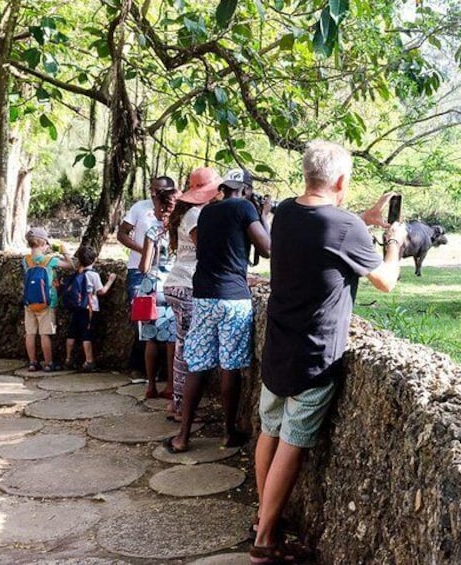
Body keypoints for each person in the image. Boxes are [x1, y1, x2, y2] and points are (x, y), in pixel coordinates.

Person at [249, 140, 406, 563]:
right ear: (340, 180)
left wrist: (363, 217)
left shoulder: (284, 212)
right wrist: (394, 242)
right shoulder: (345, 228)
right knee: (293, 440)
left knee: (270, 429)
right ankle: (264, 541)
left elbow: (324, 226)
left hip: (278, 345)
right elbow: (385, 280)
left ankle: (263, 518)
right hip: (314, 353)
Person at [165, 168, 271, 454]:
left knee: (196, 364)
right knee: (230, 366)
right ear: (246, 189)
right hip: (233, 298)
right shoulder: (245, 208)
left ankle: (183, 436)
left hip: (203, 296)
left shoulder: (207, 212)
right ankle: (228, 432)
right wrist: (264, 214)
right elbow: (268, 248)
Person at [163, 166, 223, 421]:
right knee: (188, 349)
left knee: (183, 345)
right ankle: (180, 407)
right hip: (187, 285)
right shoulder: (196, 216)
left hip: (179, 284)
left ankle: (177, 403)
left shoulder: (190, 213)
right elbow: (206, 250)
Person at [117, 176, 176, 376]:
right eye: (151, 189)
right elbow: (122, 234)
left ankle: (163, 372)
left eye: (158, 190)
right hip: (139, 271)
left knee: (167, 324)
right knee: (142, 320)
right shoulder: (139, 208)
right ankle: (139, 367)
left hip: (168, 276)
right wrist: (144, 250)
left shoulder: (175, 213)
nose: (153, 193)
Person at [137, 186, 179, 399]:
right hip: (173, 285)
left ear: (159, 206)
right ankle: (171, 386)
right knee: (172, 340)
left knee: (151, 339)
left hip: (152, 287)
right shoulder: (180, 232)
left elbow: (144, 266)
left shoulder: (153, 232)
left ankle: (151, 385)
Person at [21, 226, 71, 372]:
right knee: (44, 334)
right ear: (43, 244)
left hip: (29, 303)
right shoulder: (49, 260)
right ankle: (48, 363)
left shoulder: (26, 260)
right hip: (47, 303)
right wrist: (64, 249)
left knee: (30, 333)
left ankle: (32, 362)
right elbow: (71, 265)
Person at [63, 245, 116, 372]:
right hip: (90, 309)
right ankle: (89, 361)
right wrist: (111, 280)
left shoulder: (77, 273)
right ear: (94, 260)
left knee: (72, 333)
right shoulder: (93, 275)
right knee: (87, 335)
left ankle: (68, 359)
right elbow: (101, 291)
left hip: (76, 308)